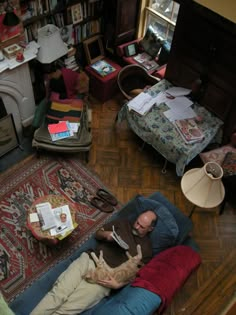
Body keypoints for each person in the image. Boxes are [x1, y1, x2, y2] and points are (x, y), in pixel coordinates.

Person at [30, 210, 157, 315]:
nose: (136, 226)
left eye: (142, 227)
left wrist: (118, 285)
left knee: (67, 309)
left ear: (150, 229)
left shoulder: (146, 250)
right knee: (58, 294)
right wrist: (106, 234)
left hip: (104, 279)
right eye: (137, 222)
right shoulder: (123, 223)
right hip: (90, 260)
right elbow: (98, 234)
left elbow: (138, 275)